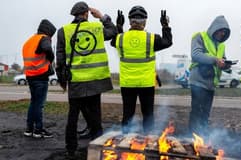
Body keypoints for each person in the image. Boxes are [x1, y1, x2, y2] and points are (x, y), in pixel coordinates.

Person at [55, 1, 117, 157]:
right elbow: (113, 31)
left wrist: (62, 81)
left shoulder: (63, 31)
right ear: (86, 14)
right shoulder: (96, 28)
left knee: (73, 116)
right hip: (96, 80)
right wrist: (102, 17)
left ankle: (71, 149)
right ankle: (98, 148)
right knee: (95, 116)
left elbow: (60, 59)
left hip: (76, 82)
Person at [111, 6, 172, 134]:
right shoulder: (151, 38)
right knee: (148, 115)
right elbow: (168, 42)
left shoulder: (120, 38)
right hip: (146, 84)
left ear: (129, 21)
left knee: (128, 114)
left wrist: (118, 26)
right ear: (144, 22)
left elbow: (113, 41)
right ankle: (148, 141)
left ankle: (125, 141)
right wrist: (165, 25)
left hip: (127, 84)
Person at [188, 15, 231, 137]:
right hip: (198, 81)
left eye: (224, 33)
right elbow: (196, 55)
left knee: (205, 114)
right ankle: (191, 138)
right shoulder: (200, 36)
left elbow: (222, 60)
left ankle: (202, 139)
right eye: (221, 31)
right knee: (196, 112)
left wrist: (225, 65)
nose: (222, 34)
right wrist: (215, 60)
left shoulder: (221, 45)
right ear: (215, 28)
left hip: (211, 84)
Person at [22, 19, 56, 138]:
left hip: (30, 76)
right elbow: (47, 48)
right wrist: (51, 59)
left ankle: (29, 129)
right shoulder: (44, 38)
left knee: (34, 103)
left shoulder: (29, 41)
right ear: (48, 31)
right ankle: (38, 130)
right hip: (40, 76)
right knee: (39, 104)